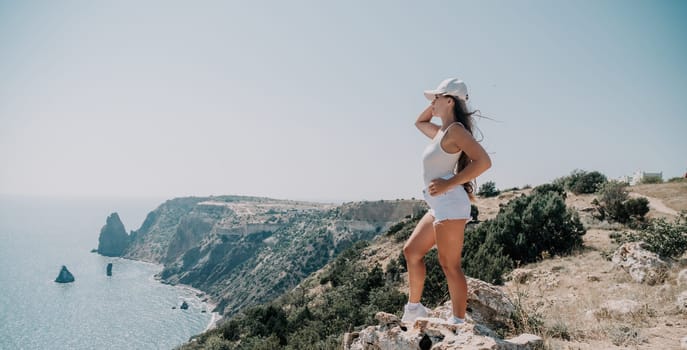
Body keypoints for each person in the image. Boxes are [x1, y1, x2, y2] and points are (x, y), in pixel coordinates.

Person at [401, 78, 492, 324]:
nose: (432, 103)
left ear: (449, 101)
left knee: (449, 265)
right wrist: (437, 103)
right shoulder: (442, 131)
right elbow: (419, 122)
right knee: (411, 251)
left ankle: (458, 322)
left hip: (450, 203)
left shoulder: (456, 132)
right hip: (439, 204)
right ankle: (414, 308)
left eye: (437, 98)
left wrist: (448, 183)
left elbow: (483, 162)